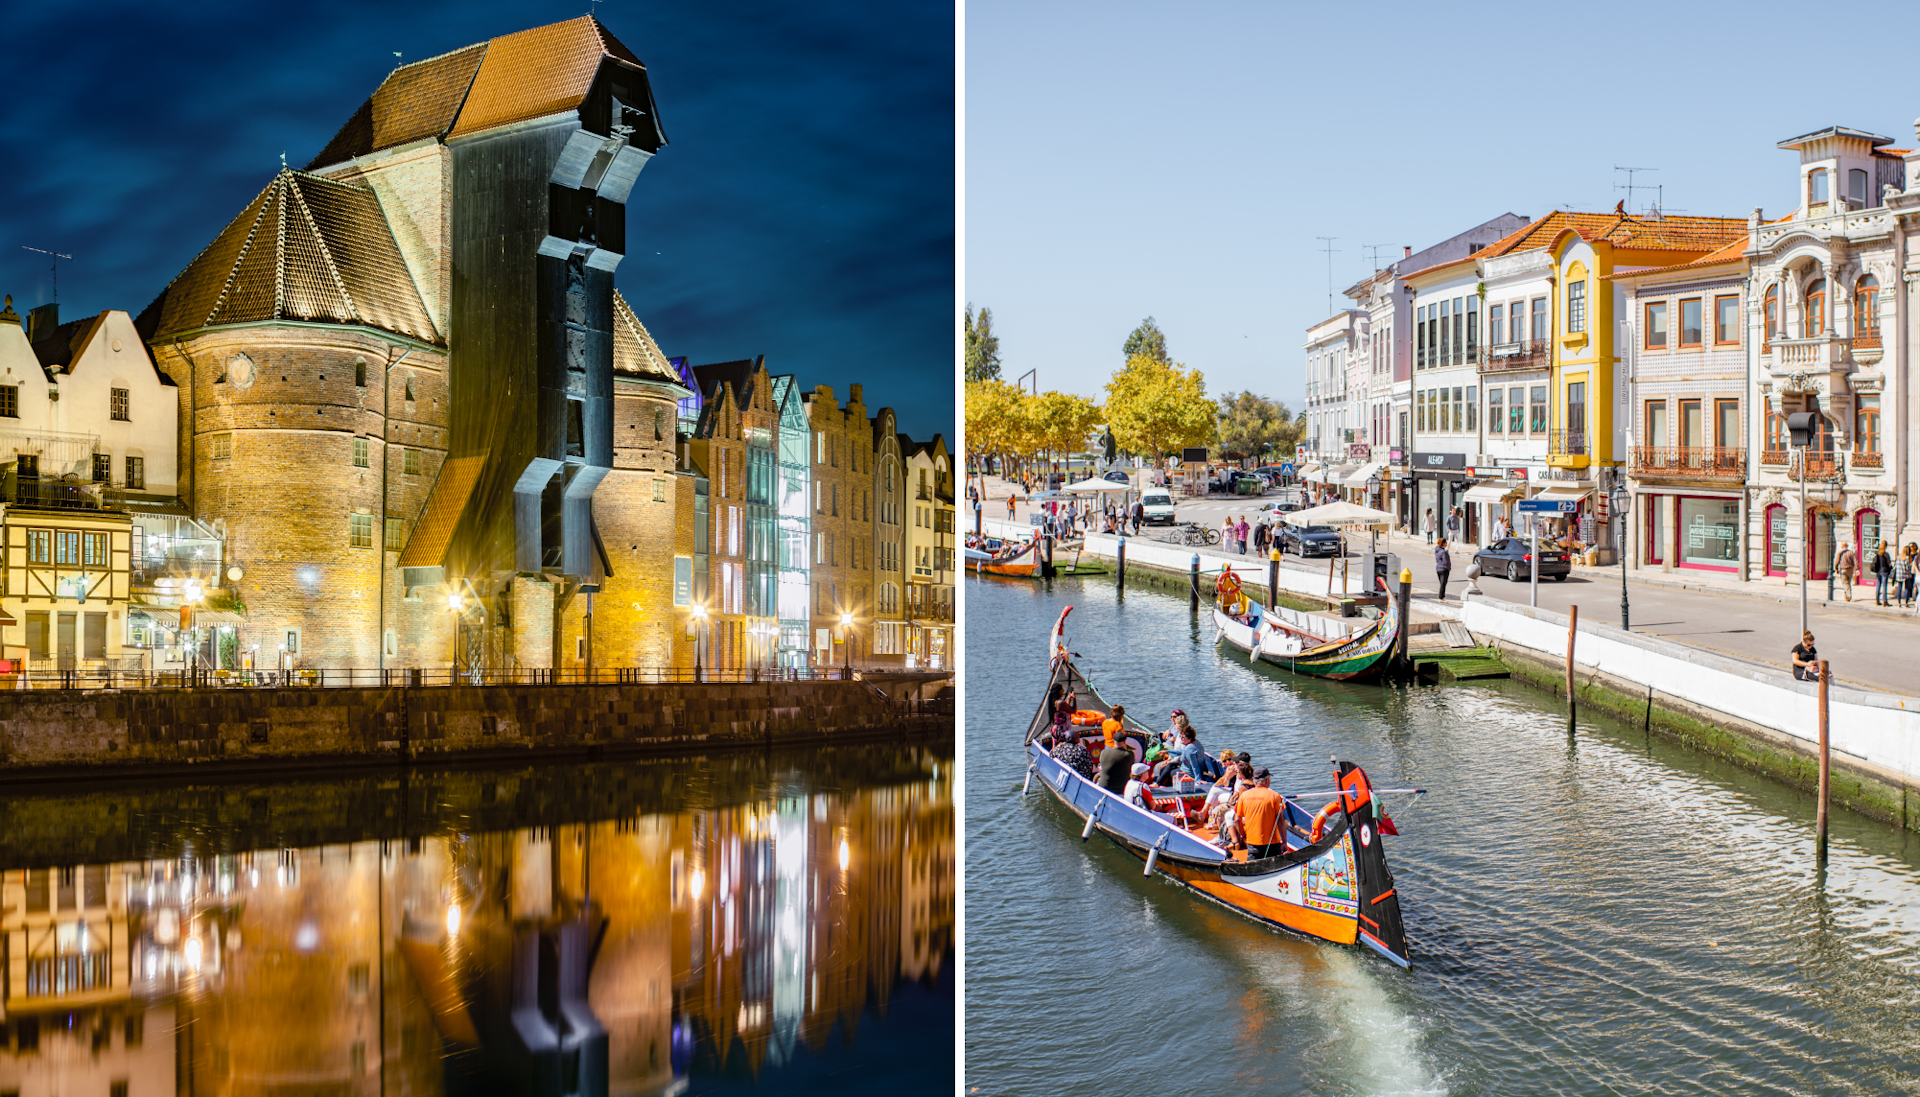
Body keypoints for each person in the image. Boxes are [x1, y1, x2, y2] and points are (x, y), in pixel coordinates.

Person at [1235, 768, 1287, 859]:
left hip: (1252, 842)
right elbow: (1280, 821)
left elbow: (1236, 819)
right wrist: (1284, 842)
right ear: (1267, 780)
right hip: (1272, 844)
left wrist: (1243, 836)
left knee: (1252, 869)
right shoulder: (1275, 796)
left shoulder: (1244, 796)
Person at [1873, 541, 1894, 605]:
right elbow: (1889, 564)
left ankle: (1877, 600)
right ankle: (1884, 601)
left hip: (1878, 571)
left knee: (1878, 586)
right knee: (1884, 586)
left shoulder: (1877, 553)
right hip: (1884, 571)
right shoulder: (1886, 554)